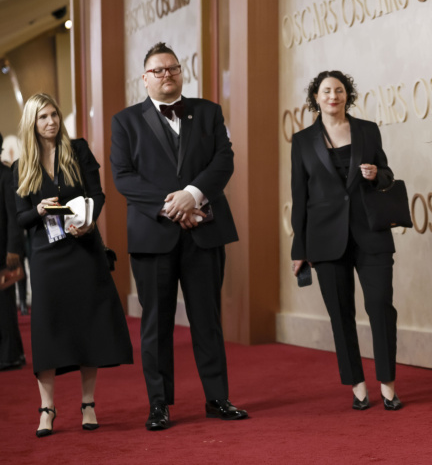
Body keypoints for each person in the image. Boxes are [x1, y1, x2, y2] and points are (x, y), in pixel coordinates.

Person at [111, 42, 247, 431]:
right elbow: (123, 176)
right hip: (153, 235)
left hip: (205, 230)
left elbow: (224, 160)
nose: (166, 75)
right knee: (156, 324)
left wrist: (192, 196)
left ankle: (218, 399)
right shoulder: (125, 121)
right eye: (158, 70)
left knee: (209, 320)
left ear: (181, 72)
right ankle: (158, 404)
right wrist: (172, 206)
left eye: (173, 68)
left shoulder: (208, 112)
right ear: (144, 78)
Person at [14, 93, 133, 437]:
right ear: (32, 124)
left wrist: (91, 221)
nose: (51, 122)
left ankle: (88, 404)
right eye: (43, 117)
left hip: (83, 249)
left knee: (87, 326)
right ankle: (47, 409)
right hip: (47, 257)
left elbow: (98, 194)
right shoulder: (22, 166)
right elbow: (20, 217)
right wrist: (38, 210)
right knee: (48, 330)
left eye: (54, 114)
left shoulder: (78, 150)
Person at [290, 71, 402, 411]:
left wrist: (375, 175)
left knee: (381, 306)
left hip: (371, 232)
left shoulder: (367, 129)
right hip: (325, 239)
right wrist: (299, 249)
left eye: (339, 90)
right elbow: (299, 197)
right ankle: (356, 384)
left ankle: (388, 384)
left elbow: (387, 175)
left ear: (346, 95)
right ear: (316, 97)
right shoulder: (302, 140)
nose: (333, 96)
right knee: (341, 314)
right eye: (326, 91)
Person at [0, 131, 26, 371]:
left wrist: (13, 249)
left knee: (5, 307)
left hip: (3, 251)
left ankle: (11, 356)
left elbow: (13, 215)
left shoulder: (7, 176)